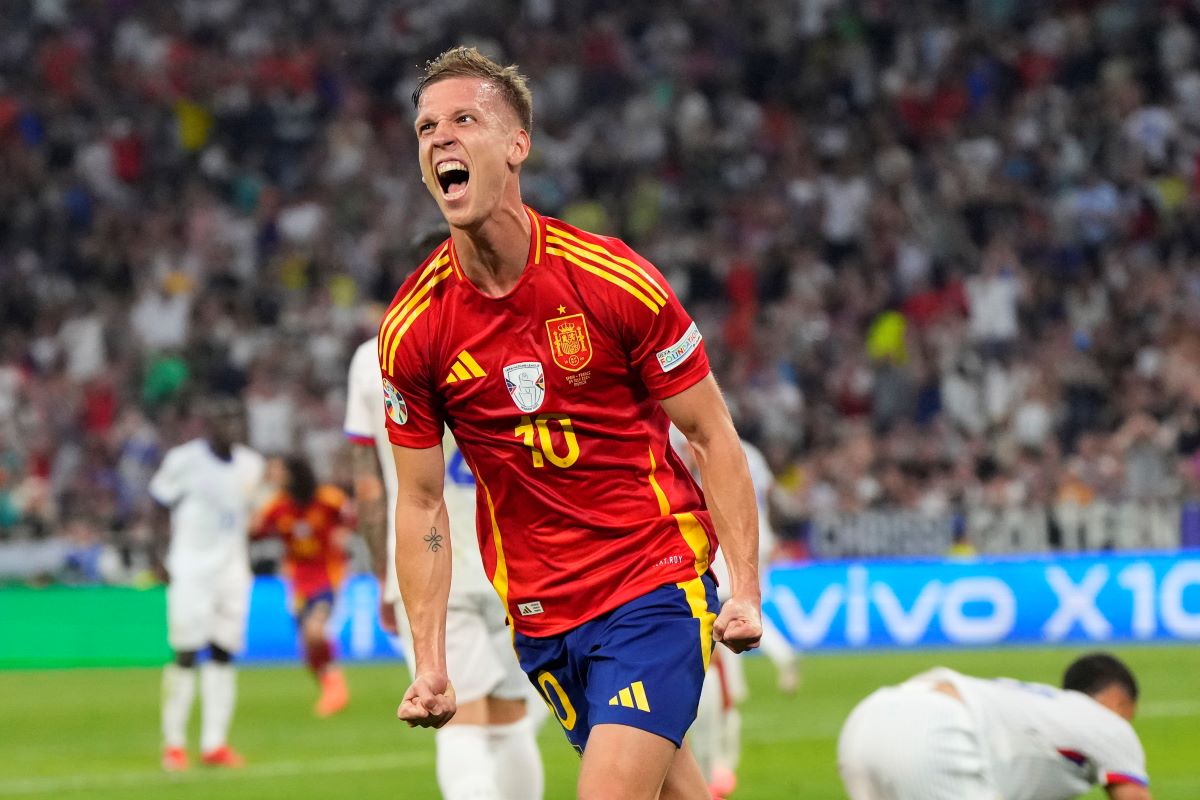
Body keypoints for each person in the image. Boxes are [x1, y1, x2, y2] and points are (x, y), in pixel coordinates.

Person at [380, 46, 763, 800]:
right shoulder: (414, 328)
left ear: (517, 145)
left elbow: (712, 433)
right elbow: (421, 500)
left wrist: (745, 586)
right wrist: (429, 660)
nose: (440, 139)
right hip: (542, 615)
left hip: (651, 581)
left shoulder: (609, 279)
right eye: (427, 128)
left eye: (464, 120)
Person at [346, 323, 545, 800]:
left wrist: (383, 573)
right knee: (509, 716)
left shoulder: (375, 356)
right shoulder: (512, 333)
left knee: (462, 715)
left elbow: (369, 486)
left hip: (432, 561)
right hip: (512, 561)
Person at [838, 652, 1152, 800]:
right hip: (936, 730)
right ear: (1118, 702)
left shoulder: (1045, 711)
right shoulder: (1109, 724)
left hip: (867, 719)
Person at [149, 396, 266, 771]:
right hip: (190, 566)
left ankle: (215, 743)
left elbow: (254, 514)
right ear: (209, 425)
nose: (231, 427)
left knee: (223, 653)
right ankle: (175, 744)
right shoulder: (185, 460)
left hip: (232, 569)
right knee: (185, 653)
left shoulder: (252, 465)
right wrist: (157, 555)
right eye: (223, 420)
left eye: (237, 420)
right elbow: (157, 504)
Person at [254, 455, 353, 718]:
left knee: (315, 631)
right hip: (297, 580)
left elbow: (352, 516)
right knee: (307, 645)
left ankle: (335, 684)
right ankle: (331, 686)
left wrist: (344, 533)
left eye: (277, 471)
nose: (273, 475)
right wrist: (258, 491)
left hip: (327, 575)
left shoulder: (328, 497)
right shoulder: (278, 505)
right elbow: (254, 530)